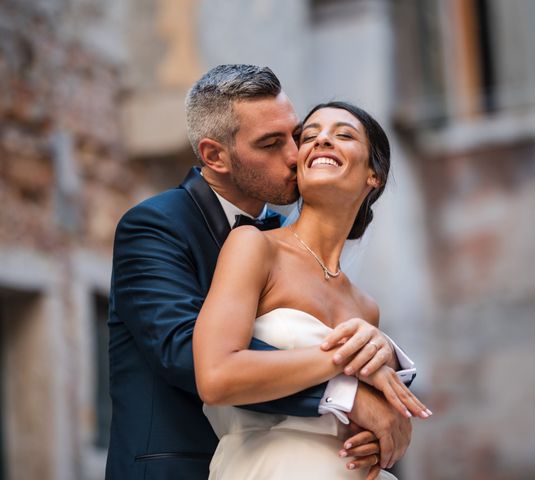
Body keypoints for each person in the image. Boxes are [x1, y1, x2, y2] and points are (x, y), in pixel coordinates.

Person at [106, 65, 418, 480]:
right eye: (271, 144)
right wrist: (346, 392)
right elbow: (185, 352)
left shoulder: (282, 239)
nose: (294, 155)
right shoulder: (155, 226)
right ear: (214, 156)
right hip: (187, 467)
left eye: (294, 135)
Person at [193, 101, 431, 479]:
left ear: (374, 175)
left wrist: (372, 441)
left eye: (343, 135)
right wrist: (341, 360)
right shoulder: (254, 246)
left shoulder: (366, 308)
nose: (321, 140)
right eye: (310, 135)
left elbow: (354, 421)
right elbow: (216, 376)